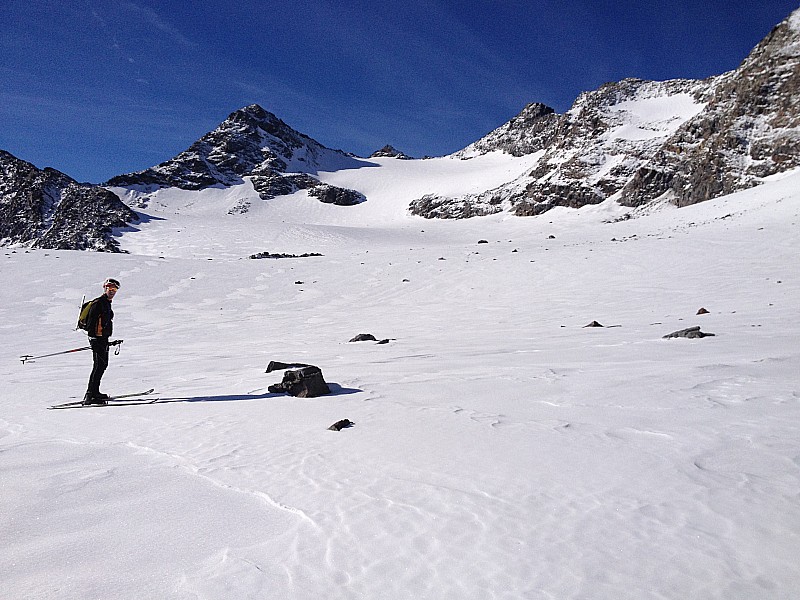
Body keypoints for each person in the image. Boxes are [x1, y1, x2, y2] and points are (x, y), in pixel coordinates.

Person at [83, 278, 120, 405]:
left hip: (103, 339)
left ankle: (95, 392)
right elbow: (91, 323)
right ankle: (90, 395)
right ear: (105, 288)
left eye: (114, 290)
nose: (112, 292)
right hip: (97, 339)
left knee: (102, 365)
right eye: (110, 289)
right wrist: (94, 339)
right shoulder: (98, 303)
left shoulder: (107, 303)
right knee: (99, 366)